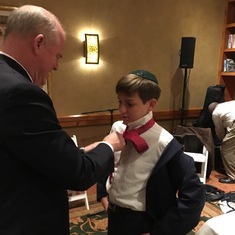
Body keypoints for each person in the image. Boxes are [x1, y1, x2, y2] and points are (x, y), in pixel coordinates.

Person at [0, 5, 125, 235]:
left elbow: (28, 151)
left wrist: (79, 153)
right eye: (57, 55)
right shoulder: (21, 93)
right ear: (38, 43)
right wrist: (110, 144)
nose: (57, 65)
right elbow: (77, 174)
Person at [104, 70, 205, 235]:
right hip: (114, 215)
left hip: (141, 222)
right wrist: (103, 193)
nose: (121, 109)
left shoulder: (165, 143)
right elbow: (110, 165)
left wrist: (162, 231)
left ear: (151, 104)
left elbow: (194, 197)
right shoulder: (117, 129)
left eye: (129, 104)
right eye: (119, 101)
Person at [208, 101, 235, 184]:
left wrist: (222, 141)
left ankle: (233, 177)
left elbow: (220, 131)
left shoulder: (215, 113)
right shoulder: (228, 104)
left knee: (226, 149)